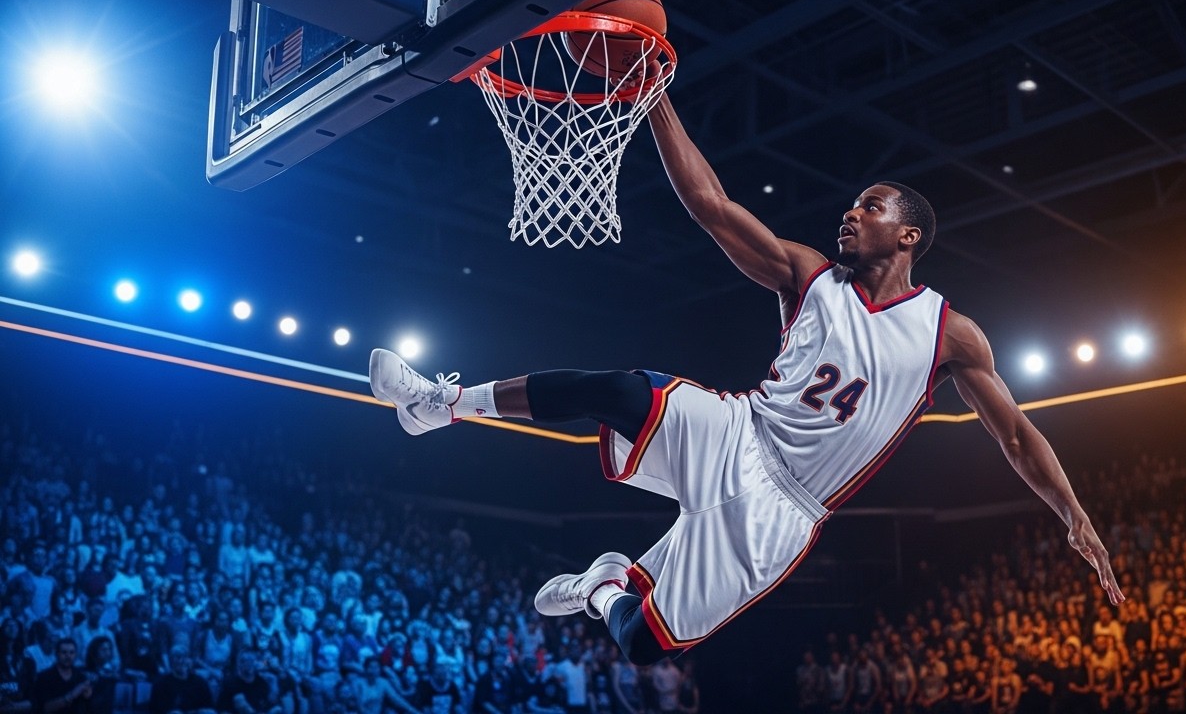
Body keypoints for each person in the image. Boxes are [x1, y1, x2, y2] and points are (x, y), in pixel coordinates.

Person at [369, 92, 1124, 664]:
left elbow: (1016, 436)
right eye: (852, 205)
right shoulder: (809, 275)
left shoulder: (951, 334)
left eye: (869, 206)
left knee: (643, 645)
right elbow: (711, 205)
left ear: (909, 233)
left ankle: (603, 585)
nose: (850, 214)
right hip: (740, 432)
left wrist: (1073, 514)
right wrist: (652, 96)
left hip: (785, 510)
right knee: (620, 389)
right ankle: (441, 403)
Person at [28, 638, 90, 714]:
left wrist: (88, 696)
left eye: (71, 653)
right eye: (64, 652)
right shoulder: (44, 677)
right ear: (57, 654)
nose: (68, 656)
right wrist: (71, 695)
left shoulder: (81, 677)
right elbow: (44, 708)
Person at [149, 646, 215, 714]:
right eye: (177, 657)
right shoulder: (161, 684)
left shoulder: (200, 682)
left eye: (185, 657)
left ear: (191, 661)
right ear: (171, 662)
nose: (181, 661)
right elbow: (156, 710)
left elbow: (209, 707)